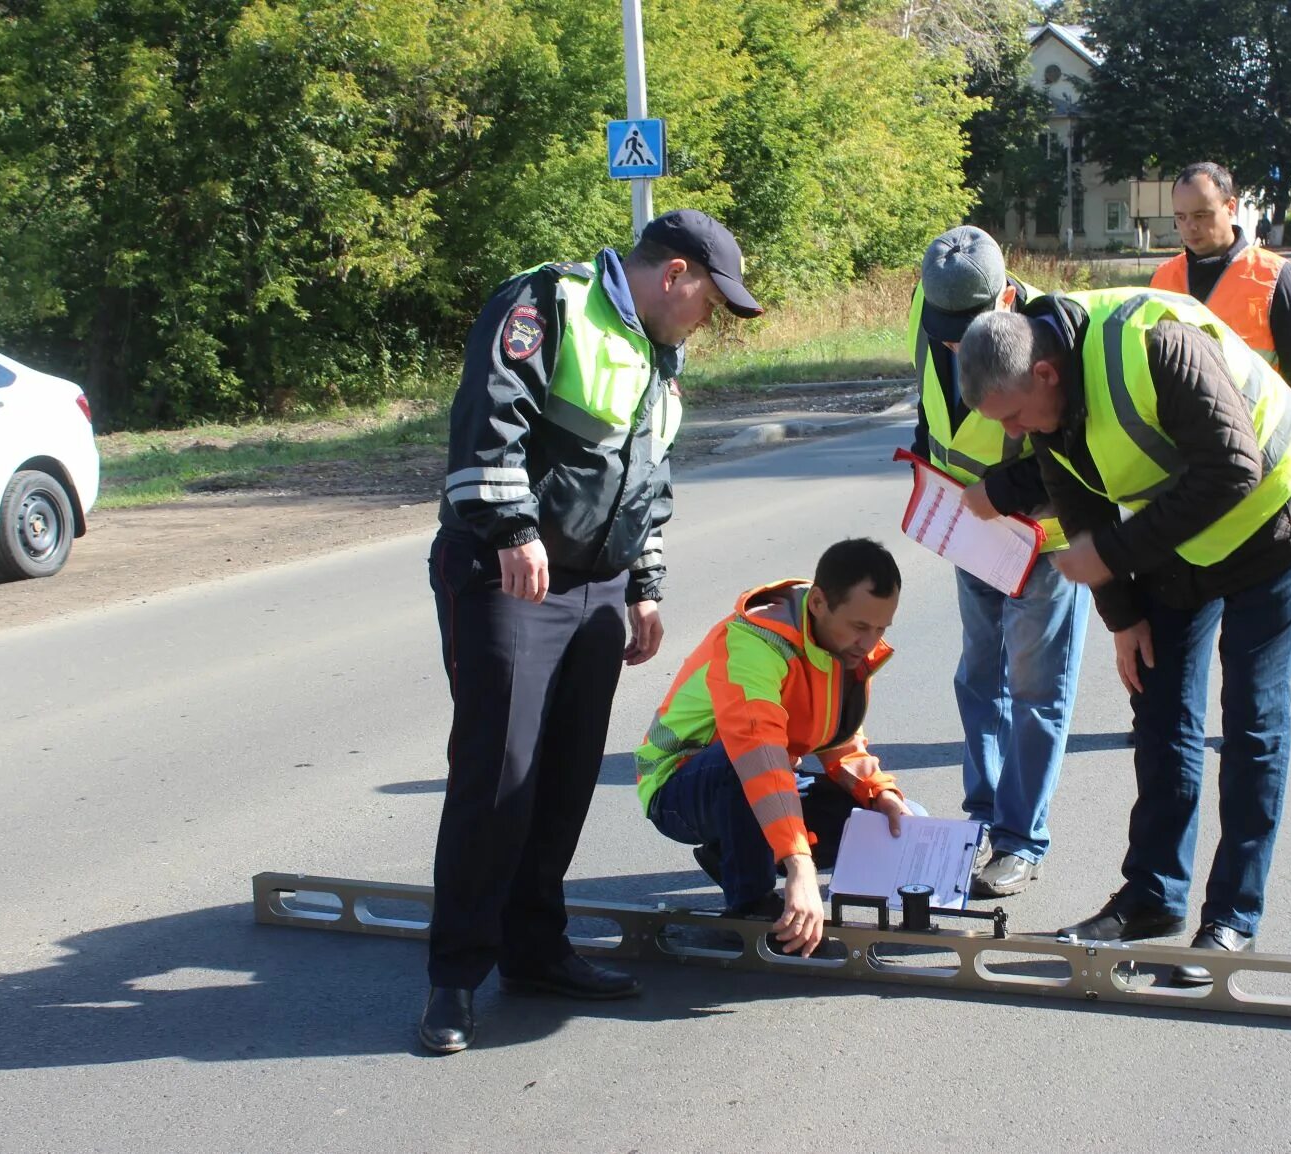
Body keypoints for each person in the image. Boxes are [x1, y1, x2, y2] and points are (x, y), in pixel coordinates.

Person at [420, 209, 764, 1054]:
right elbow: (489, 416)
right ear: (675, 272)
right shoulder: (550, 302)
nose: (709, 320)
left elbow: (646, 473)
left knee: (567, 775)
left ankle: (534, 949)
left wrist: (644, 585)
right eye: (710, 301)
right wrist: (512, 531)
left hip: (598, 585)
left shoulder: (657, 354)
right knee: (498, 772)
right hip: (509, 571)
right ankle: (455, 978)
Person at [956, 286, 1291, 986]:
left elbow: (1236, 468)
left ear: (1045, 372)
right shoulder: (1048, 410)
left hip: (1276, 516)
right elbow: (1081, 505)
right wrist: (1123, 616)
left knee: (1252, 718)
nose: (1017, 433)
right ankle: (1152, 897)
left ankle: (1232, 918)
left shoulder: (1153, 346)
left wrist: (1111, 557)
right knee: (1160, 703)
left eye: (1017, 415)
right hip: (1182, 535)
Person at [907, 226, 1087, 897]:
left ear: (1006, 297)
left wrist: (999, 497)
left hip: (1045, 540)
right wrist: (926, 462)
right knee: (979, 678)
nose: (953, 344)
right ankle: (981, 818)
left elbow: (1074, 451)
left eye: (967, 329)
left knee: (1037, 690)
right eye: (944, 329)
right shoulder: (930, 319)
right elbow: (933, 410)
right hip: (971, 532)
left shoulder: (1052, 339)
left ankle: (1019, 839)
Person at [637, 539, 913, 959]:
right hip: (680, 785)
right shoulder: (754, 642)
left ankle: (735, 852)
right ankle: (750, 909)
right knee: (743, 763)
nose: (869, 641)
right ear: (819, 602)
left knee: (878, 820)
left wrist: (881, 793)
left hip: (758, 774)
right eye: (861, 627)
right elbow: (757, 755)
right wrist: (799, 865)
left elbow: (839, 737)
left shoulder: (842, 647)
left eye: (881, 629)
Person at [1154, 162, 1291, 403]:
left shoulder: (1275, 276)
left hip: (1259, 432)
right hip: (1182, 434)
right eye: (1181, 217)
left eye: (1202, 215)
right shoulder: (1162, 278)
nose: (1190, 227)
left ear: (1230, 206)